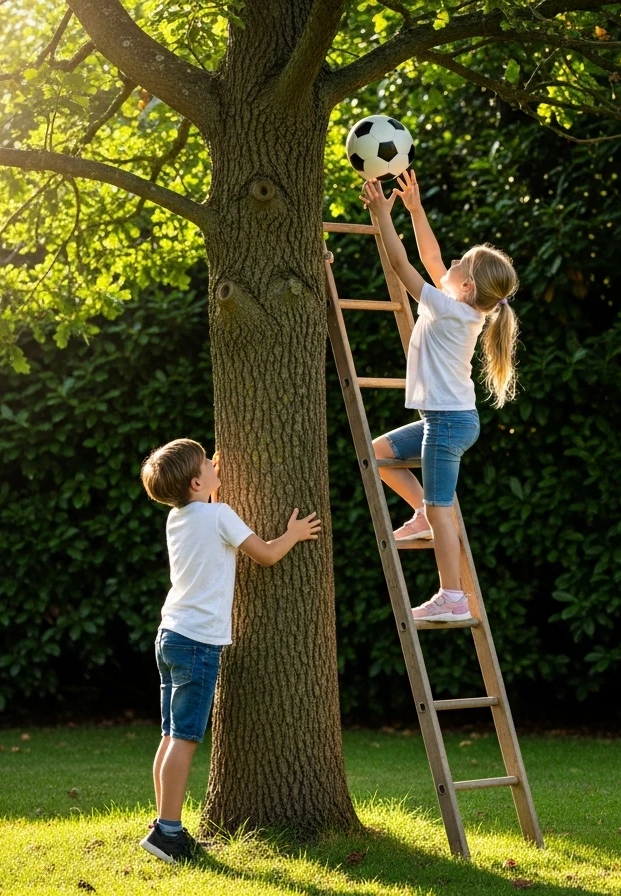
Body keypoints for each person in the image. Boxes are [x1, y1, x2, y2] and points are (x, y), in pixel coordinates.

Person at [137, 439, 321, 863]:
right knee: (184, 739)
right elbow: (268, 555)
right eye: (207, 462)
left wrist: (206, 481)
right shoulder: (219, 515)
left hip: (170, 635)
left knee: (169, 736)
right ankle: (168, 833)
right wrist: (293, 534)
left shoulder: (178, 517)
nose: (213, 463)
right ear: (198, 481)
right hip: (199, 642)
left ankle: (163, 824)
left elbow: (204, 513)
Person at [360, 169, 520, 624]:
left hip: (448, 423)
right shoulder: (462, 306)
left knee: (443, 510)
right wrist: (414, 208)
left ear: (465, 287)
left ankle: (452, 596)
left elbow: (402, 264)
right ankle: (421, 513)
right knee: (379, 453)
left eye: (457, 266)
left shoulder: (449, 310)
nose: (446, 265)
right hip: (445, 420)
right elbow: (429, 255)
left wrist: (382, 217)